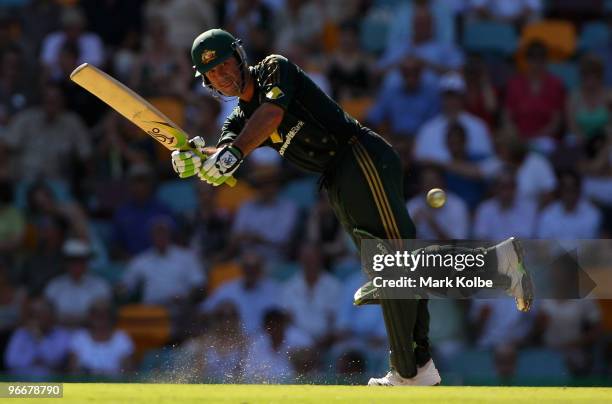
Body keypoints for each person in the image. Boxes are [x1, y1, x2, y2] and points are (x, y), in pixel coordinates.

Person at [171, 28, 533, 386]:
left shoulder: (272, 69)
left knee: (393, 264)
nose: (222, 75)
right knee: (393, 269)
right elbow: (225, 153)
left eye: (224, 64)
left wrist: (231, 154)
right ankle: (421, 363)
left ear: (239, 56)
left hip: (358, 157)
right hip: (336, 180)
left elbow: (269, 118)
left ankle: (409, 369)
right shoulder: (238, 120)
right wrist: (195, 160)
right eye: (213, 73)